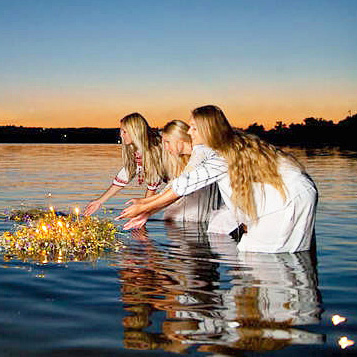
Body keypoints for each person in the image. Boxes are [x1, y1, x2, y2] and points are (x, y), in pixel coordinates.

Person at [118, 105, 318, 253]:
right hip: (299, 193)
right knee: (281, 254)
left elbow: (186, 183)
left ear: (208, 130)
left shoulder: (220, 153)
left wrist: (145, 207)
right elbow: (184, 182)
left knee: (260, 255)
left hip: (288, 200)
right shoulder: (235, 142)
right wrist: (148, 206)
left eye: (194, 128)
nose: (189, 132)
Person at [132, 120, 221, 223]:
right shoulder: (187, 159)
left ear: (180, 140)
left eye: (167, 142)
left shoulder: (201, 154)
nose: (165, 147)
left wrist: (145, 208)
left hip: (203, 219)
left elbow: (178, 189)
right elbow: (172, 187)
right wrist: (145, 204)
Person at [83, 113, 165, 216]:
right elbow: (125, 175)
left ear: (135, 132)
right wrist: (99, 201)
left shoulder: (154, 149)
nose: (121, 135)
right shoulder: (137, 150)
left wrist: (142, 213)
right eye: (121, 131)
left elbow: (152, 187)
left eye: (124, 131)